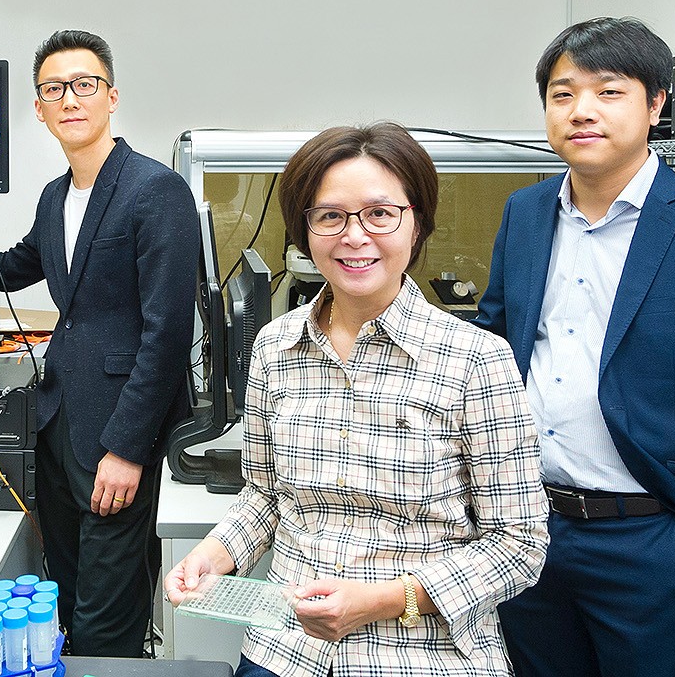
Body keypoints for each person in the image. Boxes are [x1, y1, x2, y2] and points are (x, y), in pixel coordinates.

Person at [476, 17, 675, 677]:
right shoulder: (526, 213)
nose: (582, 111)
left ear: (656, 104)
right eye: (562, 94)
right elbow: (492, 351)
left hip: (656, 545)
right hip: (528, 535)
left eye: (609, 92)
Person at [165, 123, 549, 677]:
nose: (355, 236)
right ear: (305, 231)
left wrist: (386, 600)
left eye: (379, 213)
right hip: (287, 651)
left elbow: (519, 545)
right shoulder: (275, 346)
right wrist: (213, 555)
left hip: (423, 654)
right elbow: (266, 498)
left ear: (415, 222)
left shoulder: (475, 359)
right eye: (330, 216)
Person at [0, 30, 199, 656]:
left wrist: (128, 450)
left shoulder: (155, 191)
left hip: (115, 435)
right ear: (39, 107)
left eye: (84, 85)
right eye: (55, 89)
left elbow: (167, 335)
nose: (70, 99)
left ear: (111, 97)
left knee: (108, 614)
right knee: (69, 597)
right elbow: (12, 265)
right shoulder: (56, 197)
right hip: (58, 424)